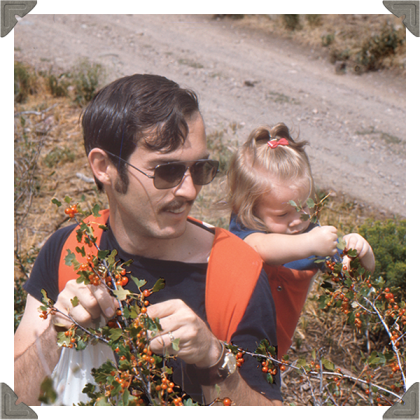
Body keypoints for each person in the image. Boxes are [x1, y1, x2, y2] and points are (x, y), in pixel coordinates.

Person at [14, 74, 282, 406]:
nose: (189, 190)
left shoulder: (238, 271)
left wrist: (214, 359)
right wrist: (53, 337)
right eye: (166, 171)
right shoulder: (69, 250)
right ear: (104, 167)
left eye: (200, 168)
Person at [225, 123, 375, 357]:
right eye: (283, 214)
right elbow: (258, 248)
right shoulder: (246, 229)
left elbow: (356, 274)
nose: (297, 220)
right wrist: (309, 245)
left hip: (273, 348)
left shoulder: (313, 238)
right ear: (250, 210)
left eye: (303, 206)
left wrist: (361, 251)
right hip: (227, 336)